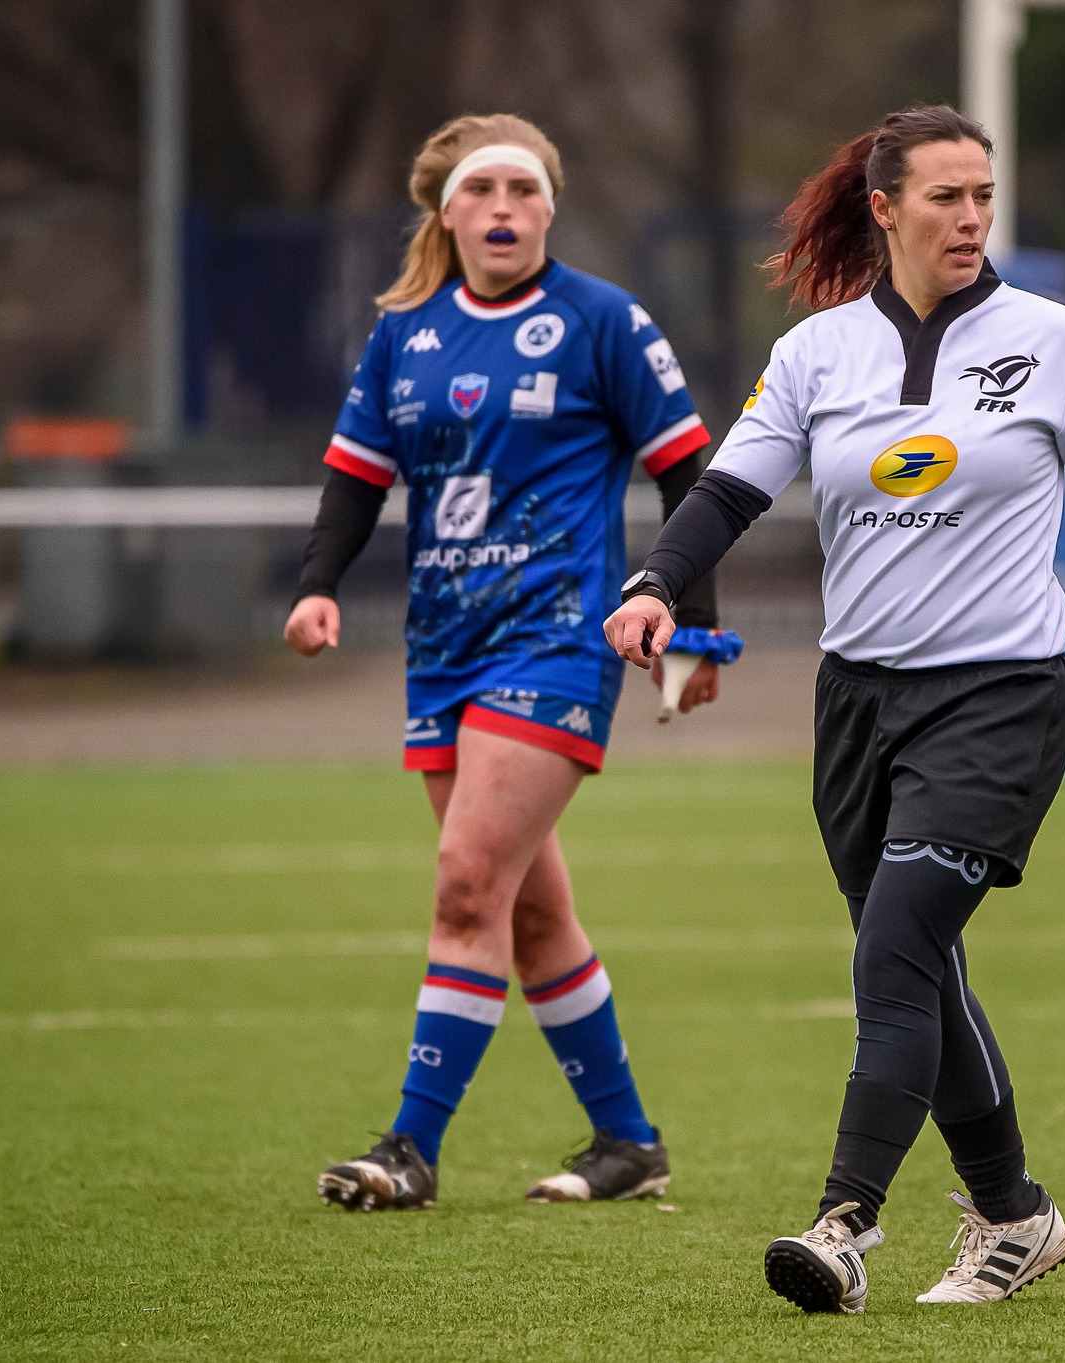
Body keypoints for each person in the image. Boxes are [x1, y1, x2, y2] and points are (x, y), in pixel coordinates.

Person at [604, 104, 1065, 1313]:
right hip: (855, 706)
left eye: (983, 196)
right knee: (921, 965)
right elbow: (729, 490)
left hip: (1002, 698)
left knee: (895, 949)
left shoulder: (1054, 341)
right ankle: (1014, 1215)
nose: (970, 219)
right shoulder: (817, 353)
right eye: (945, 198)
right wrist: (653, 582)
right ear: (884, 206)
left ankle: (842, 1223)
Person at [284, 113, 726, 1212]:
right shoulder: (404, 334)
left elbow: (690, 472)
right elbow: (353, 477)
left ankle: (410, 1147)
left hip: (557, 640)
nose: (504, 209)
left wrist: (694, 623)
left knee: (467, 879)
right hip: (442, 648)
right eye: (482, 190)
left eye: (524, 192)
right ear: (447, 211)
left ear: (547, 209)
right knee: (523, 912)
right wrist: (316, 585)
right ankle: (628, 1144)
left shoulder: (600, 321)